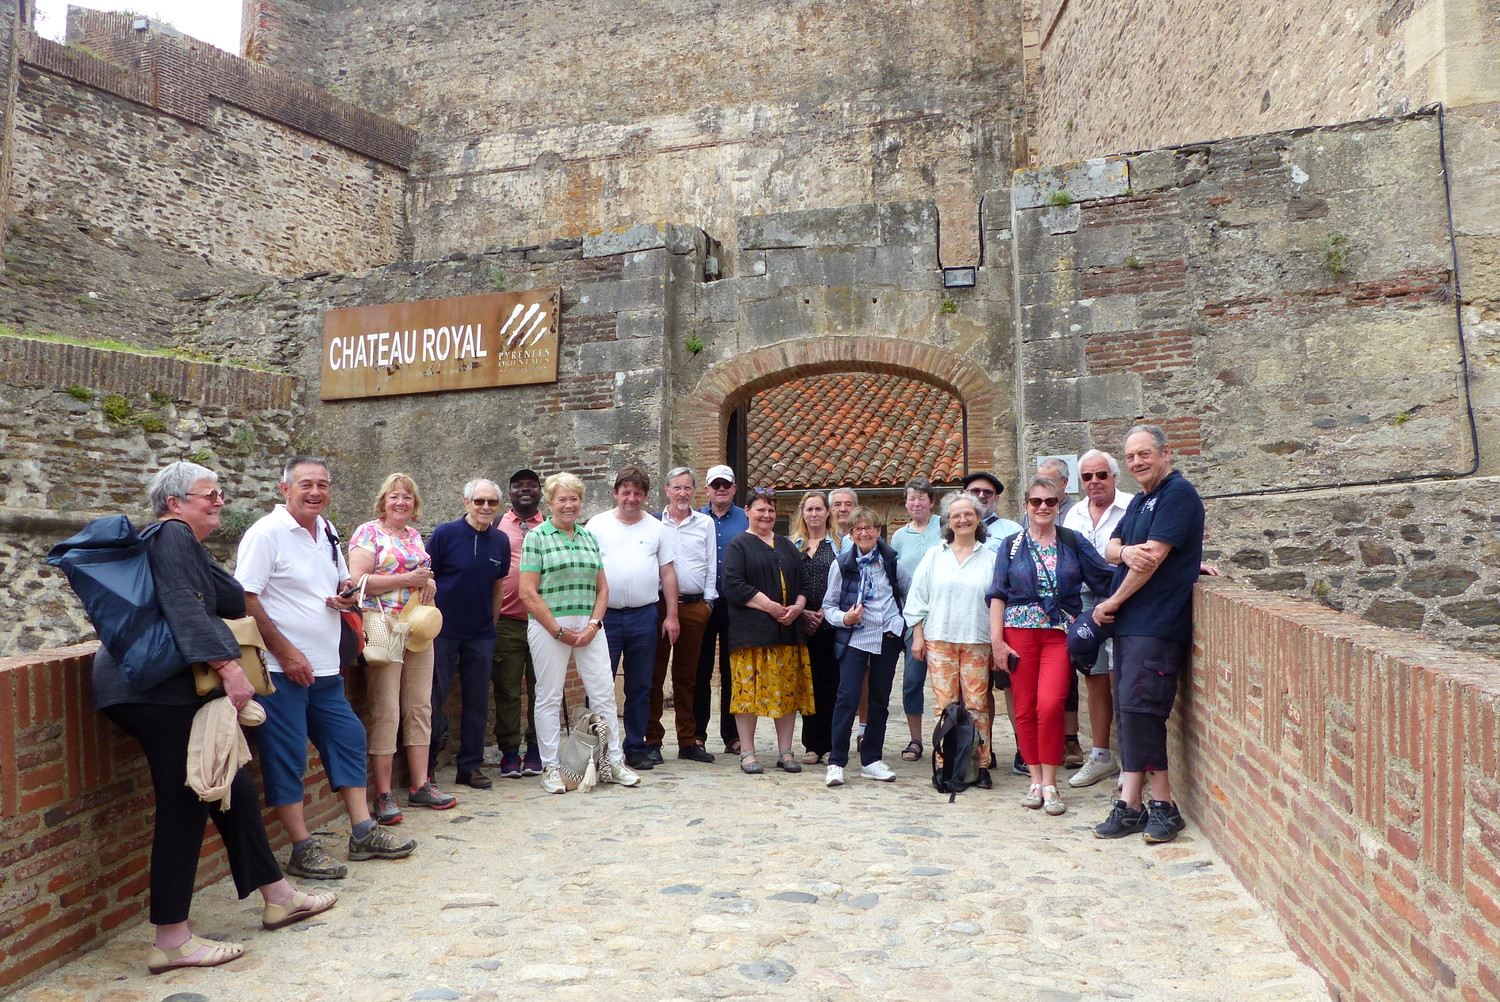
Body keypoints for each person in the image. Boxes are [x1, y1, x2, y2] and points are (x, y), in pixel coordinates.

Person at [92, 462, 336, 973]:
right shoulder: (173, 535)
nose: (219, 500)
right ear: (175, 502)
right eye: (209, 494)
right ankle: (172, 938)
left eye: (220, 492)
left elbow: (216, 600)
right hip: (156, 693)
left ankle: (278, 895)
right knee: (187, 802)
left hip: (162, 689)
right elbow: (183, 605)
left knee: (232, 788)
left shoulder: (182, 542)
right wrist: (230, 669)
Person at [237, 456, 416, 880]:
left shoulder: (327, 530)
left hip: (325, 667)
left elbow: (340, 581)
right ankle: (301, 847)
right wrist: (285, 652)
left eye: (322, 484)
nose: (315, 492)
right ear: (285, 490)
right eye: (305, 485)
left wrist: (346, 594)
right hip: (281, 672)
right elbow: (245, 598)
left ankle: (363, 831)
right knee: (288, 758)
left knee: (349, 737)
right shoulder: (266, 533)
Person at [1091, 425, 1206, 843]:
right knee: (1129, 710)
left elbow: (1153, 558)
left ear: (1165, 453)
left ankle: (1163, 805)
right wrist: (1123, 552)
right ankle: (1132, 803)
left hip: (1157, 622)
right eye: (1131, 457)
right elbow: (1110, 546)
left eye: (1144, 454)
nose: (1137, 462)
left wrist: (1113, 601)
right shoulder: (1141, 500)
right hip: (1134, 625)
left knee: (1144, 709)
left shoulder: (1178, 494)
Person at [987, 476, 1113, 817]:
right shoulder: (1012, 545)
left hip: (1058, 633)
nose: (1043, 507)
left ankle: (1052, 782)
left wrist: (1173, 569)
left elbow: (1104, 576)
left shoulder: (1072, 541)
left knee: (1052, 703)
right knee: (1025, 707)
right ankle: (1036, 779)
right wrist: (997, 642)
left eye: (1050, 502)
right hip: (1018, 634)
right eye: (1036, 502)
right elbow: (997, 595)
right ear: (1026, 506)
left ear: (1059, 505)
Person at [519, 472, 640, 793]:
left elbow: (603, 589)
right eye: (562, 499)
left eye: (574, 499)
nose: (569, 505)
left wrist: (593, 625)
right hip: (549, 627)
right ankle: (551, 767)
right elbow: (528, 593)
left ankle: (612, 761)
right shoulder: (537, 537)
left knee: (603, 693)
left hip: (589, 626)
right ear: (550, 503)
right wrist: (559, 631)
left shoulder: (588, 537)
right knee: (548, 695)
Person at [347, 473, 455, 824]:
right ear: (383, 501)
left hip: (417, 626)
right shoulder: (368, 533)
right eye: (394, 497)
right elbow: (358, 583)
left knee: (420, 706)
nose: (401, 503)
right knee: (386, 710)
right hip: (383, 626)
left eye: (407, 498)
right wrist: (406, 580)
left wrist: (430, 585)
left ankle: (420, 784)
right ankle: (382, 792)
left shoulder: (412, 536)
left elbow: (422, 575)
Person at [587, 465, 680, 771]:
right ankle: (597, 748)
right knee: (600, 683)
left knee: (641, 685)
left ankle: (635, 746)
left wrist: (672, 616)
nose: (631, 498)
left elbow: (667, 573)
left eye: (637, 493)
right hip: (605, 617)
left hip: (644, 615)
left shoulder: (657, 529)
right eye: (625, 492)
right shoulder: (597, 526)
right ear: (615, 493)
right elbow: (586, 569)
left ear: (645, 496)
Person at [905, 492, 998, 787]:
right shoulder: (935, 555)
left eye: (968, 514)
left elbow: (998, 603)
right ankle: (944, 765)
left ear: (978, 518)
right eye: (956, 515)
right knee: (944, 706)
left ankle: (980, 764)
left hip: (977, 639)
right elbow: (917, 597)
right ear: (948, 522)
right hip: (940, 640)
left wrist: (998, 641)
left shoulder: (991, 558)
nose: (963, 519)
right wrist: (917, 636)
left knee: (976, 706)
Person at [722, 487, 814, 774]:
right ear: (747, 511)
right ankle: (747, 752)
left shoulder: (787, 545)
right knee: (748, 694)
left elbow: (805, 584)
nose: (766, 515)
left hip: (787, 634)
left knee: (786, 692)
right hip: (751, 635)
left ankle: (785, 751)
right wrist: (771, 607)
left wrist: (797, 608)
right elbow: (735, 586)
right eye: (760, 509)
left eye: (771, 510)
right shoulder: (739, 545)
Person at [427, 478, 511, 790]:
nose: (485, 507)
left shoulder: (500, 541)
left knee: (477, 701)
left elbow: (498, 585)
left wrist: (492, 622)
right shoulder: (445, 534)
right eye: (479, 501)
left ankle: (470, 766)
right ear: (466, 503)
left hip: (481, 633)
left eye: (491, 502)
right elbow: (428, 577)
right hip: (442, 631)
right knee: (433, 699)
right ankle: (427, 768)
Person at [821, 506, 912, 786]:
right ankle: (837, 761)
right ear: (850, 534)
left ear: (879, 531)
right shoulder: (842, 565)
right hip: (855, 638)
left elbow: (911, 595)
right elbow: (828, 606)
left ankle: (871, 759)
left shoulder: (892, 562)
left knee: (879, 701)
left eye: (869, 528)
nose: (864, 533)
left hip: (886, 637)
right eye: (857, 529)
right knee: (847, 697)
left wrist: (899, 623)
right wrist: (845, 618)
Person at [1060, 449, 1132, 788]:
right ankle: (1101, 756)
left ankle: (1132, 761)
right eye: (1087, 477)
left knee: (1124, 677)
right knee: (1095, 678)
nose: (1094, 482)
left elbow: (1158, 549)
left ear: (1114, 477)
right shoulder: (1072, 514)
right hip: (1085, 602)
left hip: (1123, 598)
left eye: (1101, 475)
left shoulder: (1133, 506)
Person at [648, 466, 718, 763]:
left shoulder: (705, 523)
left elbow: (712, 563)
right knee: (654, 674)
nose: (682, 493)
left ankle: (688, 740)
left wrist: (708, 603)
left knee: (688, 677)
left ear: (694, 491)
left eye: (687, 488)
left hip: (693, 606)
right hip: (660, 605)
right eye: (676, 487)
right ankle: (652, 739)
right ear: (666, 490)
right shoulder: (652, 524)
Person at [492, 468, 544, 778]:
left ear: (540, 491)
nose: (525, 490)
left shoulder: (551, 526)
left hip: (542, 621)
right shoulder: (497, 525)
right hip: (507, 622)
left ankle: (537, 750)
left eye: (531, 485)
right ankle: (510, 752)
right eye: (517, 486)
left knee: (543, 690)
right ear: (509, 493)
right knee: (507, 690)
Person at [695, 464, 749, 754]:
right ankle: (697, 734)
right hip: (703, 603)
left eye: (725, 484)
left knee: (734, 672)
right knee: (700, 671)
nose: (721, 489)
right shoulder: (694, 519)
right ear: (707, 489)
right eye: (715, 484)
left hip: (736, 606)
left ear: (734, 488)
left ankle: (733, 735)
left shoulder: (745, 519)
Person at [890, 477, 942, 763]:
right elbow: (895, 578)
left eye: (922, 498)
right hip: (914, 620)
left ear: (931, 502)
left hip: (944, 616)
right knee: (912, 680)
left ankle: (949, 735)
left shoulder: (943, 527)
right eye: (912, 499)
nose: (917, 503)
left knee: (946, 682)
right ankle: (915, 739)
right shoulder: (899, 537)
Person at [789, 490, 840, 765]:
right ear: (803, 513)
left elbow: (845, 583)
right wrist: (804, 613)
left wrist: (824, 611)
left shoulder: (839, 546)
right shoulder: (793, 545)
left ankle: (830, 744)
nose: (814, 514)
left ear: (827, 512)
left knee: (830, 685)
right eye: (809, 509)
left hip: (830, 625)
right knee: (806, 685)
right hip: (802, 624)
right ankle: (811, 745)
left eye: (819, 509)